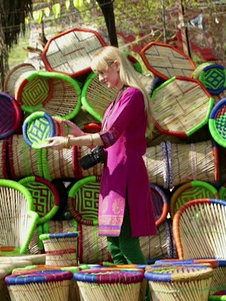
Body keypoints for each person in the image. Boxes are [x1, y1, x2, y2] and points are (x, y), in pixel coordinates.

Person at [41, 46, 157, 265]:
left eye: (103, 72)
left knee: (127, 242)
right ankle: (128, 292)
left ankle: (146, 292)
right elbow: (108, 142)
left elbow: (109, 137)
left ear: (116, 66)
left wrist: (68, 142)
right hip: (113, 175)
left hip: (127, 177)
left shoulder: (132, 96)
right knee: (114, 244)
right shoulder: (118, 99)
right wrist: (80, 134)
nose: (101, 78)